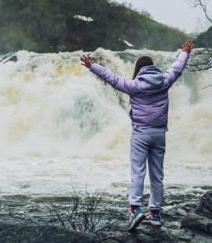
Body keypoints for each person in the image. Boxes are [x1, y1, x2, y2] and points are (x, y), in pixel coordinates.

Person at [80, 40, 194, 231]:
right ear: (153, 68)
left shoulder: (134, 85)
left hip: (141, 134)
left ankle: (135, 211)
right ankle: (155, 214)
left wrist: (93, 66)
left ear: (139, 70)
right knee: (157, 175)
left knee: (138, 172)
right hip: (159, 134)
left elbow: (112, 79)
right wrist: (185, 53)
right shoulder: (164, 81)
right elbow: (177, 68)